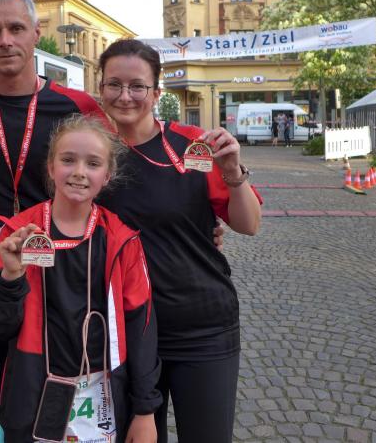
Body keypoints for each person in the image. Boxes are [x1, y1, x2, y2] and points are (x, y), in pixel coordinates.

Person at [0, 0, 109, 442]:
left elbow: (111, 176)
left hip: (62, 266)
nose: (5, 40)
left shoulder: (76, 106)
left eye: (16, 28)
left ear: (36, 33)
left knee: (58, 382)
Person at [96, 39, 262, 443]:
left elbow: (248, 224)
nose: (125, 95)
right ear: (100, 89)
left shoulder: (192, 145)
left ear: (156, 93)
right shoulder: (92, 153)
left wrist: (232, 173)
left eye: (137, 86)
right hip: (126, 332)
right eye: (114, 84)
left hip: (200, 326)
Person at [0, 115, 161, 442]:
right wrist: (11, 276)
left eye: (92, 163)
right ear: (51, 167)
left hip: (104, 391)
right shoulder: (17, 235)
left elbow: (141, 329)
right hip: (32, 391)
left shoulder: (122, 241)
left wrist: (145, 410)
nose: (79, 172)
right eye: (68, 160)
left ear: (107, 175)